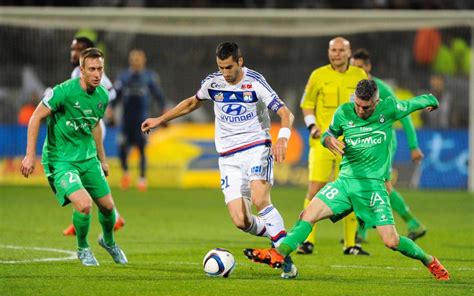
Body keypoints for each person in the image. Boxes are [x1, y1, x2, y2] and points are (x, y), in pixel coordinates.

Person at [244, 79, 449, 281]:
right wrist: (328, 140)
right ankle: (278, 254)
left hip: (372, 187)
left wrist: (432, 100)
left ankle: (430, 261)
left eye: (366, 107)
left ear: (376, 103)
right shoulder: (344, 112)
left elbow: (416, 102)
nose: (360, 110)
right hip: (345, 182)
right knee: (308, 214)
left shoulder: (389, 108)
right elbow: (328, 134)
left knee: (391, 240)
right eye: (358, 105)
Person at [141, 41, 298, 279]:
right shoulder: (212, 83)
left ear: (240, 62)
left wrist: (283, 139)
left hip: (256, 147)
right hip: (228, 157)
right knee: (241, 220)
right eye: (221, 67)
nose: (226, 72)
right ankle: (280, 236)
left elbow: (286, 113)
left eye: (229, 67)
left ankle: (284, 258)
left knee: (259, 198)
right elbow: (192, 102)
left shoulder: (255, 82)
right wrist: (160, 119)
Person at [20, 48, 128, 266]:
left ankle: (108, 241)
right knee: (84, 205)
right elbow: (35, 118)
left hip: (88, 159)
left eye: (100, 69)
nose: (97, 74)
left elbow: (95, 126)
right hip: (61, 161)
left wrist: (103, 159)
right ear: (81, 70)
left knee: (108, 208)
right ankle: (83, 248)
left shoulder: (102, 96)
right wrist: (29, 156)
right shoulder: (63, 92)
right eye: (92, 69)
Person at [298, 37, 369, 255]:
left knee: (351, 192)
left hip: (350, 145)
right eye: (333, 50)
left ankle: (350, 244)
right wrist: (312, 127)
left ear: (349, 53)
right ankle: (307, 240)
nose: (336, 54)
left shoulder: (359, 75)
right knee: (315, 189)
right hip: (323, 143)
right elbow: (307, 105)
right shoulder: (318, 75)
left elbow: (366, 105)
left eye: (341, 50)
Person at [350, 48, 426, 242]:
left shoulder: (380, 88)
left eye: (359, 67)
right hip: (362, 140)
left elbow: (405, 116)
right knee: (360, 182)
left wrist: (413, 146)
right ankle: (362, 232)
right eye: (353, 66)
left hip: (383, 142)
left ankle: (411, 223)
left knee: (382, 184)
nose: (355, 70)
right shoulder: (351, 86)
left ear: (368, 67)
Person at [62, 36, 126, 236]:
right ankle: (93, 214)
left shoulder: (95, 73)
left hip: (91, 127)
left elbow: (110, 92)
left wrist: (105, 110)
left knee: (86, 174)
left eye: (79, 49)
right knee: (84, 174)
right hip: (84, 127)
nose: (74, 53)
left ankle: (110, 215)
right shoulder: (77, 72)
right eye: (73, 49)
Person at [112, 49, 166, 191]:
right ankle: (126, 173)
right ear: (130, 61)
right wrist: (110, 109)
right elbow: (115, 95)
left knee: (141, 148)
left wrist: (163, 110)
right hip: (126, 120)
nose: (136, 62)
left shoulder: (149, 77)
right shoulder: (123, 77)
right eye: (134, 59)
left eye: (138, 59)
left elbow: (158, 94)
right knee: (122, 148)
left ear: (143, 61)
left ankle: (142, 178)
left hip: (142, 120)